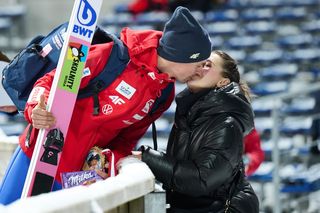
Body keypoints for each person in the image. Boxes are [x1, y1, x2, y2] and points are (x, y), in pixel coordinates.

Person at [0, 6, 212, 205]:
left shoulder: (163, 94)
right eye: (200, 64)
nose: (203, 71)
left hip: (78, 177)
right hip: (38, 155)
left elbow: (126, 140)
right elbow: (47, 82)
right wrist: (36, 108)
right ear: (182, 56)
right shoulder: (110, 57)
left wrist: (109, 161)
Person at [136, 50, 259, 212]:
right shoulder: (189, 112)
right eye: (199, 63)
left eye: (207, 65)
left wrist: (147, 157)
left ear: (223, 82)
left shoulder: (226, 122)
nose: (199, 67)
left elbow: (201, 179)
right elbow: (185, 163)